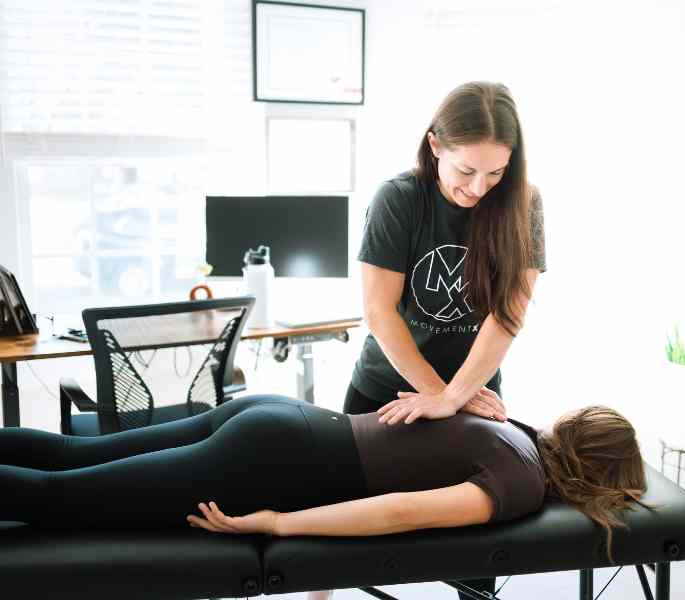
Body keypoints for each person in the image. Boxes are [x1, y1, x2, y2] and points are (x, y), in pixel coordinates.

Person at [0, 395, 647, 566]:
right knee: (62, 501)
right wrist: (278, 523)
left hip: (279, 416)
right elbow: (399, 513)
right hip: (270, 464)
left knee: (65, 456)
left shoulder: (514, 430)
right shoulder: (522, 482)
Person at [344, 80, 546, 598]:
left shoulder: (523, 203)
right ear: (435, 144)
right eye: (466, 170)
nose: (480, 188)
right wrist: (438, 394)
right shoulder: (399, 199)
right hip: (384, 387)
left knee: (477, 551)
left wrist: (455, 399)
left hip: (475, 392)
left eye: (496, 172)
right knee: (337, 531)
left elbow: (507, 317)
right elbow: (379, 310)